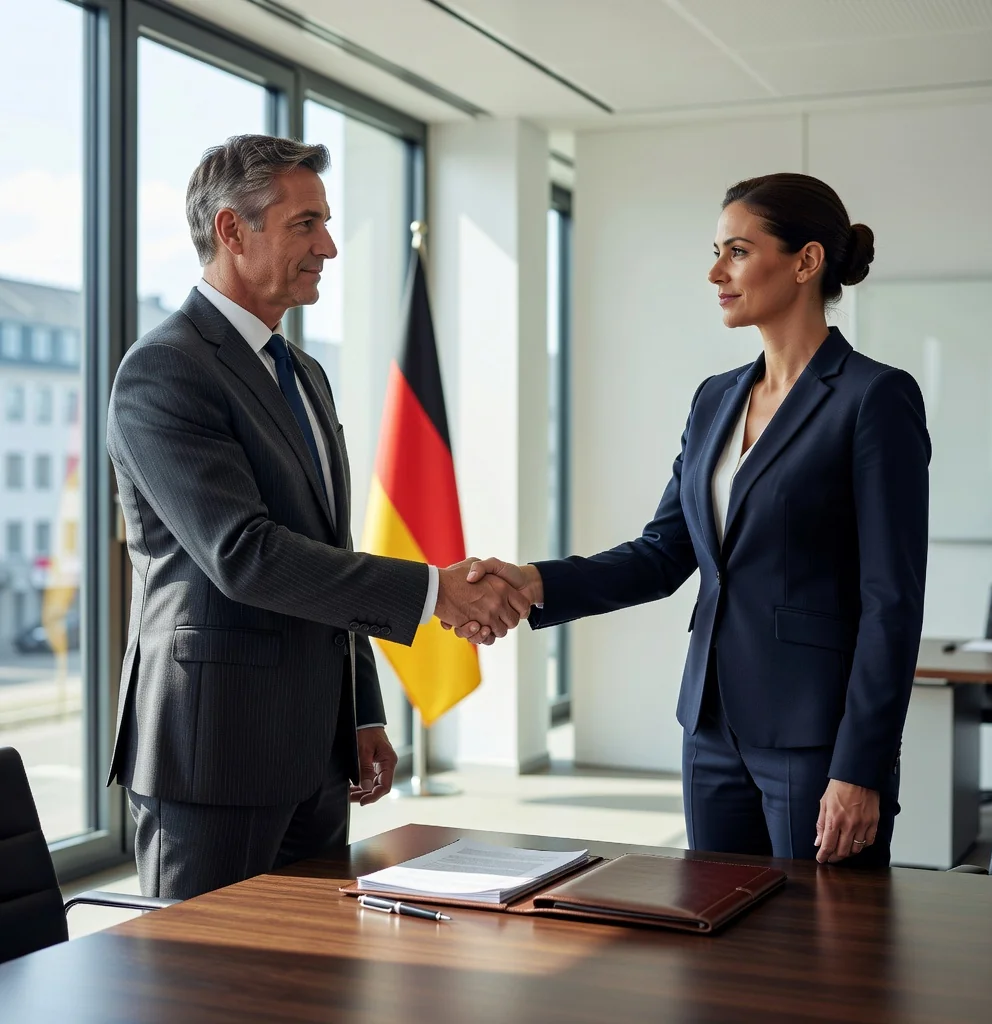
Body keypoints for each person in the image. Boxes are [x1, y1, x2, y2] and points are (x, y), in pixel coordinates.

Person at [453, 173, 930, 867]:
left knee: (824, 954)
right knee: (717, 941)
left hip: (817, 737)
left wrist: (860, 766)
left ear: (806, 261)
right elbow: (663, 553)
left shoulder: (873, 397)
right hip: (709, 727)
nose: (715, 272)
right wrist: (531, 581)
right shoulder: (716, 399)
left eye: (736, 251)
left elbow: (892, 601)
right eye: (716, 251)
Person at [106, 135, 529, 899]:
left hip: (315, 754)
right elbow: (245, 554)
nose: (328, 246)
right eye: (305, 224)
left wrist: (360, 707)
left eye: (325, 223)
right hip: (215, 754)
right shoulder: (165, 369)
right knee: (207, 992)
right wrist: (436, 591)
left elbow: (329, 549)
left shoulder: (303, 373)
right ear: (232, 231)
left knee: (312, 988)